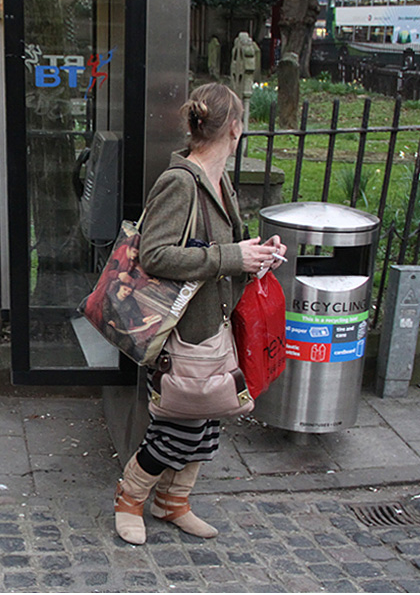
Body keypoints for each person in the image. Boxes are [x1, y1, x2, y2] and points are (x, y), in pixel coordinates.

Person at [113, 82, 287, 545]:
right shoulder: (180, 181)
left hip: (215, 323)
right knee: (177, 426)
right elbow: (155, 255)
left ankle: (173, 502)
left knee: (209, 418)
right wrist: (231, 258)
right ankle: (129, 499)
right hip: (181, 328)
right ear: (234, 126)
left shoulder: (219, 180)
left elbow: (222, 248)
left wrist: (257, 253)